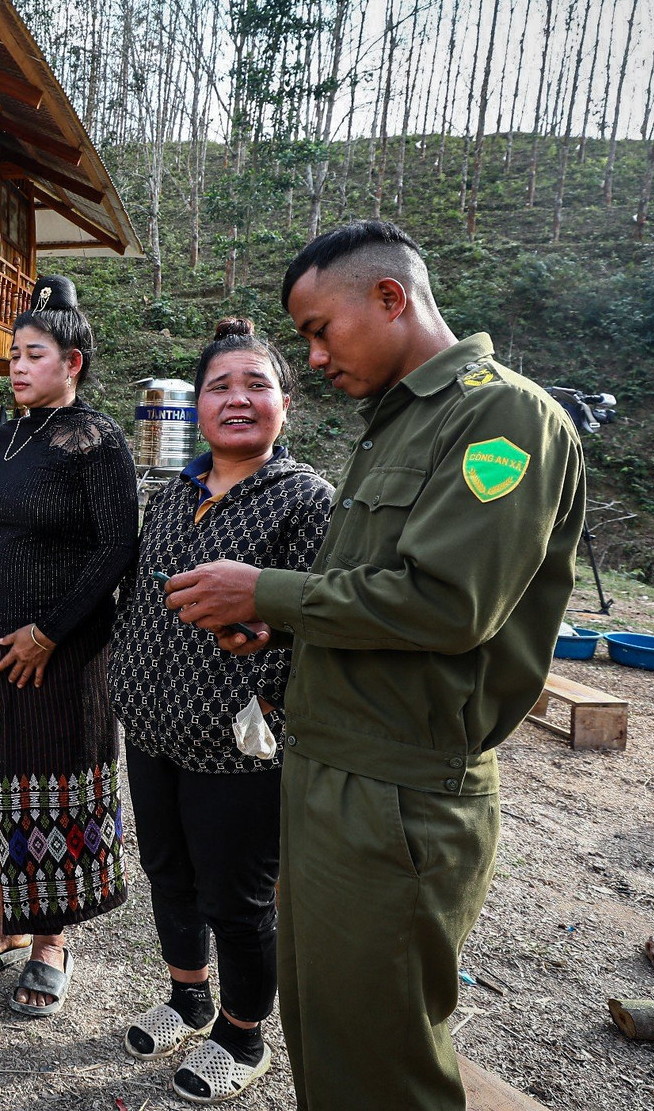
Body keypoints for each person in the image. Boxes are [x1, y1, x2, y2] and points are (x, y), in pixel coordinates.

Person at [164, 220, 587, 1111]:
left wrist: (266, 591)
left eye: (320, 330)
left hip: (399, 793)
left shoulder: (501, 417)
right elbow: (368, 597)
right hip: (329, 771)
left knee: (382, 1061)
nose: (314, 357)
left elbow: (446, 603)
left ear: (390, 297)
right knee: (327, 1030)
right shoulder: (395, 423)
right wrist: (281, 626)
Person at [107, 317, 332, 1102]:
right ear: (197, 406)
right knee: (166, 870)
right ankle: (188, 996)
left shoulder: (306, 499)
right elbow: (142, 597)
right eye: (220, 386)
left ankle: (242, 1033)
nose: (237, 399)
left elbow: (316, 621)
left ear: (286, 403)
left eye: (256, 384)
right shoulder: (175, 493)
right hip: (152, 726)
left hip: (241, 742)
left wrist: (266, 699)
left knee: (236, 897)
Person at [0, 275, 137, 1017]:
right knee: (0, 780)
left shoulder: (97, 439)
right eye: (15, 354)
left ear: (72, 362)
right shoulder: (12, 431)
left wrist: (49, 632)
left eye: (34, 354)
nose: (18, 366)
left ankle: (52, 940)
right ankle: (12, 921)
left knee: (50, 785)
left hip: (62, 652)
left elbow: (116, 549)